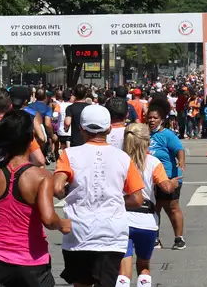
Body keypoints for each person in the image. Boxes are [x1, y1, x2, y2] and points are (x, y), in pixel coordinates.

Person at [0, 108, 64, 287]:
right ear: (30, 139)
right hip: (31, 262)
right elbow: (48, 219)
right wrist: (64, 224)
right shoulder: (41, 177)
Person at [54, 105, 145, 287]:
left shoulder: (69, 155)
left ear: (81, 129)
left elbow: (56, 188)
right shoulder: (123, 158)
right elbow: (137, 199)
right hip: (111, 235)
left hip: (78, 234)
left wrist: (71, 193)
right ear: (109, 128)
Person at [120, 123, 179, 287]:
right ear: (147, 142)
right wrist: (173, 183)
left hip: (121, 218)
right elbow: (166, 188)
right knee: (144, 265)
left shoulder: (119, 159)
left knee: (123, 270)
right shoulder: (153, 162)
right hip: (146, 221)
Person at [145, 99, 185, 250]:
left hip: (169, 176)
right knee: (154, 208)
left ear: (161, 120)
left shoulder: (168, 135)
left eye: (155, 118)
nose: (152, 120)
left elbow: (178, 150)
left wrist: (181, 162)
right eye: (149, 118)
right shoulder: (144, 134)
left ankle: (179, 238)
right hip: (150, 178)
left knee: (172, 207)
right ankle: (155, 238)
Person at [63, 84, 93, 149]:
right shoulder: (90, 107)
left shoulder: (70, 108)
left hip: (75, 139)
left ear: (74, 94)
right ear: (85, 94)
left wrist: (66, 129)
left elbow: (67, 123)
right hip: (89, 138)